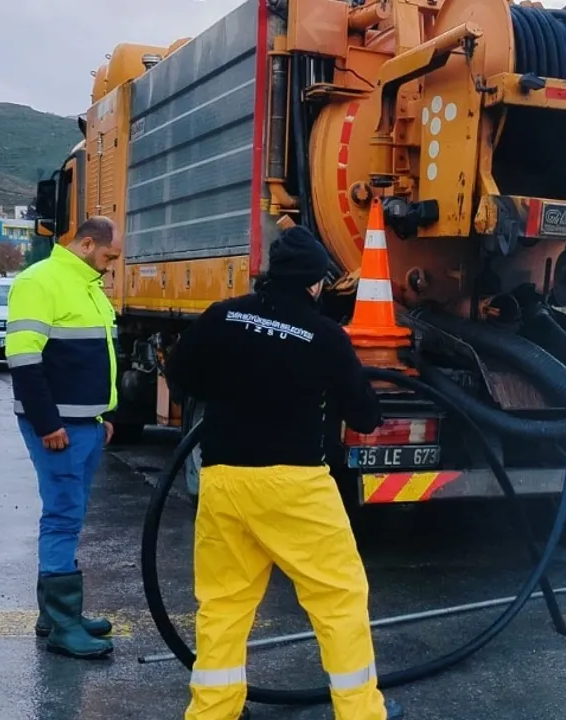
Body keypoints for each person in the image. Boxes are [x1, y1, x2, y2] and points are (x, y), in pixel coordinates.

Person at [164, 225, 402, 720]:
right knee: (338, 598)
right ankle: (360, 712)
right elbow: (363, 416)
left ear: (272, 273)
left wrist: (231, 387)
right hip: (294, 486)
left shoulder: (223, 316)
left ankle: (213, 711)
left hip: (224, 479)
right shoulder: (325, 336)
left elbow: (180, 374)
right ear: (315, 283)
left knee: (223, 604)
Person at [5, 216, 123, 658]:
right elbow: (23, 359)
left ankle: (55, 616)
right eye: (109, 255)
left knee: (69, 513)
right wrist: (47, 423)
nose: (111, 264)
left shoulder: (88, 285)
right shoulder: (40, 281)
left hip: (84, 423)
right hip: (60, 427)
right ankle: (63, 625)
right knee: (62, 516)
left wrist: (103, 415)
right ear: (87, 244)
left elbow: (96, 357)